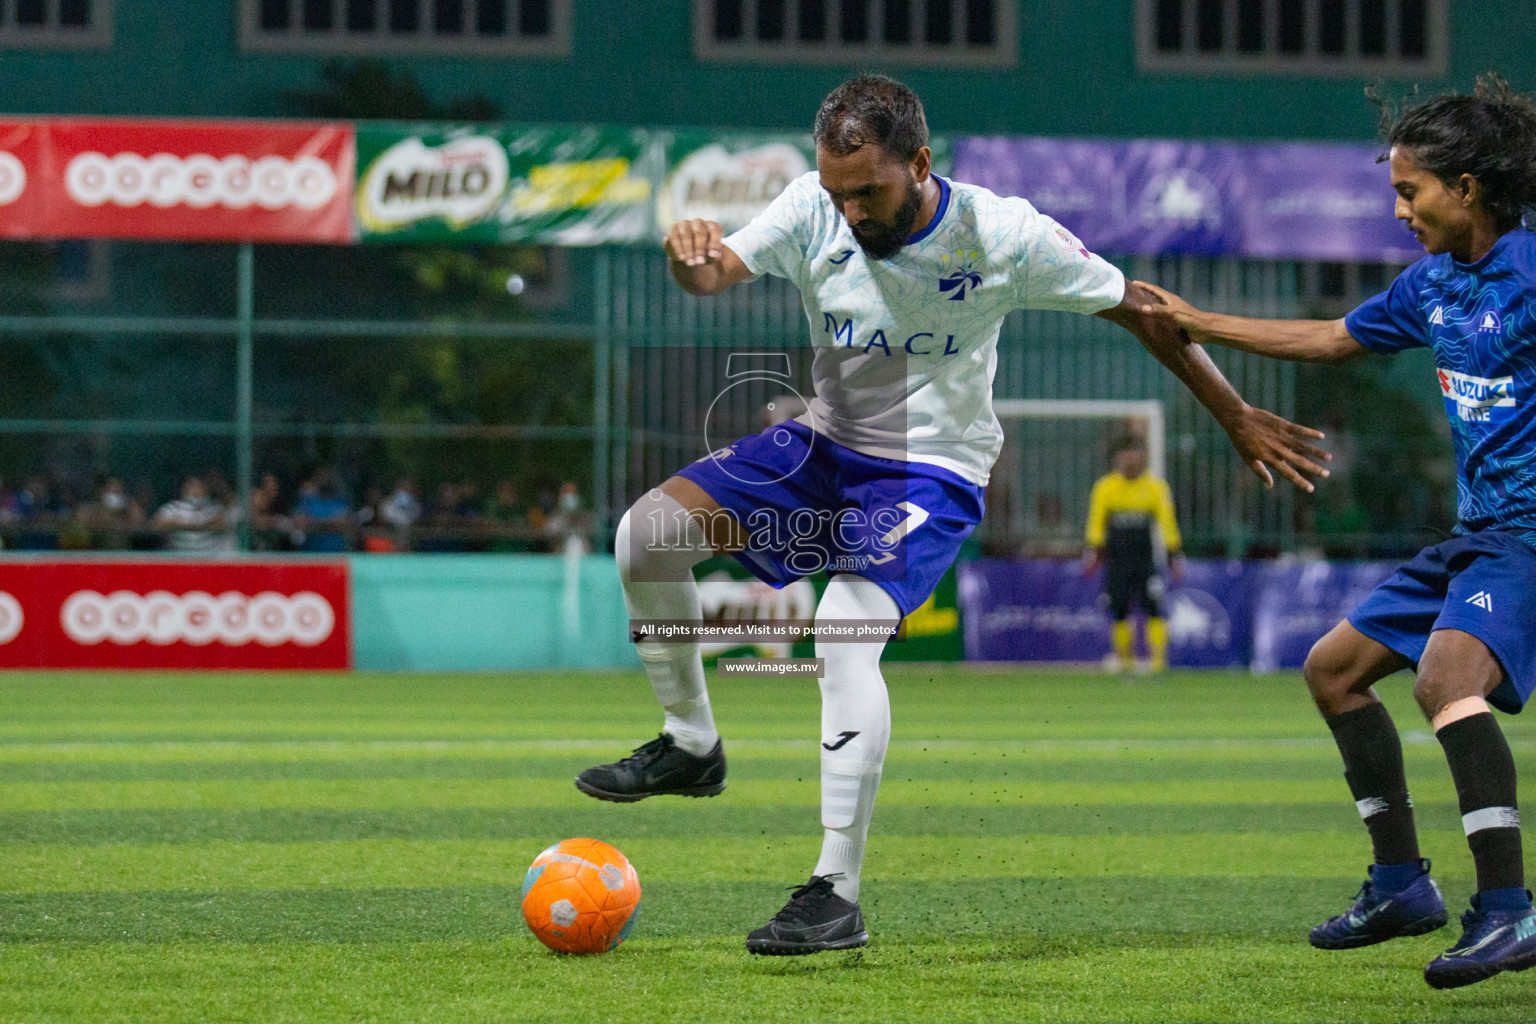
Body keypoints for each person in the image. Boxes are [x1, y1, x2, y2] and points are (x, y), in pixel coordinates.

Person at [578, 74, 1328, 956]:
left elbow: (1145, 311)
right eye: (837, 193)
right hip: (829, 437)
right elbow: (711, 274)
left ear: (921, 163)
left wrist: (1233, 412)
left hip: (926, 464)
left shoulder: (1003, 234)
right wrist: (685, 253)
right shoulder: (810, 208)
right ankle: (691, 743)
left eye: (870, 192)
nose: (851, 212)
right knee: (644, 536)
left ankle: (834, 891)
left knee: (842, 631)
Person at [1138, 74, 1536, 990]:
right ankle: (1402, 885)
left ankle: (1510, 911)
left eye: (1410, 191)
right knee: (1334, 670)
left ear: (1466, 188)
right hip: (1476, 535)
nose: (1399, 210)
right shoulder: (1434, 284)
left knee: (1445, 681)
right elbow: (1326, 338)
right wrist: (1198, 324)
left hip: (1529, 541)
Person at [1084, 435, 1184, 672]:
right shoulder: (1105, 487)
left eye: (1135, 452)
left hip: (1147, 560)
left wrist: (1174, 555)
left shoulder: (1155, 487)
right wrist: (1093, 553)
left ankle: (1159, 662)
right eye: (1125, 453)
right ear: (1117, 458)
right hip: (1117, 562)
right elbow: (1096, 524)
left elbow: (1167, 523)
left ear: (1143, 457)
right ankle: (1125, 662)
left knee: (1155, 607)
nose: (1130, 458)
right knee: (1119, 609)